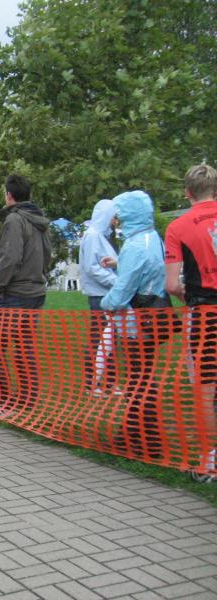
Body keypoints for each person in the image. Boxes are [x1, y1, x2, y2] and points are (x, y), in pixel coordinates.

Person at [100, 190, 166, 460]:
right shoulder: (152, 238)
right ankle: (132, 433)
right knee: (142, 378)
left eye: (119, 214)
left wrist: (105, 303)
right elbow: (141, 269)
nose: (116, 220)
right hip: (151, 319)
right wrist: (120, 262)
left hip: (136, 323)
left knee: (139, 381)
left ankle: (144, 439)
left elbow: (122, 292)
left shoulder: (135, 246)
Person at [0, 174, 51, 420]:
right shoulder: (40, 220)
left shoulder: (14, 219)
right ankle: (27, 401)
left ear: (9, 195)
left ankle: (5, 401)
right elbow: (48, 255)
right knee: (23, 347)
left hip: (15, 294)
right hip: (36, 291)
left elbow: (10, 257)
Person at [165, 164, 217, 482]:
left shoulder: (178, 227)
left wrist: (188, 294)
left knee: (206, 388)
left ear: (187, 192)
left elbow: (172, 284)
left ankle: (209, 460)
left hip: (204, 313)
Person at [78, 199, 120, 396]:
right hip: (99, 294)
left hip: (107, 293)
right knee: (99, 339)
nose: (115, 221)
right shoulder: (93, 236)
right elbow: (92, 268)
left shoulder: (102, 236)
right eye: (113, 216)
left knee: (109, 339)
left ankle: (108, 382)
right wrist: (117, 281)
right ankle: (92, 383)